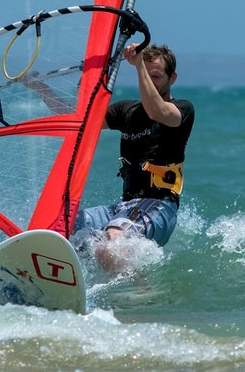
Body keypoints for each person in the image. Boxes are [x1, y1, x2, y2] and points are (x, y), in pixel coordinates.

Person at [73, 43, 195, 260]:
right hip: (125, 207)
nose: (149, 80)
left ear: (172, 78)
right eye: (145, 74)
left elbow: (156, 110)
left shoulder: (182, 110)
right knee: (66, 224)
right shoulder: (127, 110)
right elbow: (81, 120)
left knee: (113, 238)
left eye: (155, 76)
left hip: (159, 205)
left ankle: (140, 292)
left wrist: (139, 66)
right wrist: (40, 88)